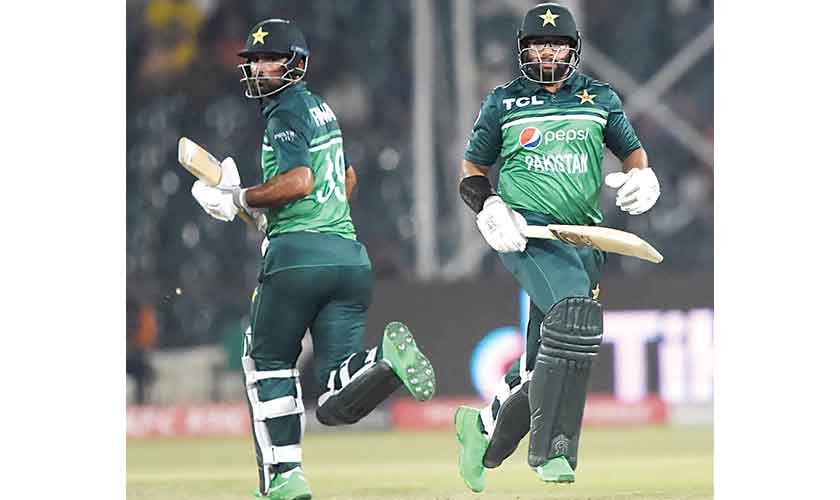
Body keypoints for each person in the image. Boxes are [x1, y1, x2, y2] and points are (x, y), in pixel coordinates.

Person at [190, 18, 437, 500]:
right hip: (348, 258)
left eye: (270, 59)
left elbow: (300, 181)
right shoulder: (323, 109)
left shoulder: (284, 112)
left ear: (297, 65)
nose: (259, 68)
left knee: (266, 362)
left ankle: (284, 477)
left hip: (297, 259)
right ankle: (381, 361)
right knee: (334, 390)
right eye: (254, 60)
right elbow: (345, 181)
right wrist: (269, 211)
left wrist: (239, 198)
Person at [453, 3, 660, 492]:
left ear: (573, 49)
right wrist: (488, 206)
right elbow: (472, 169)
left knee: (542, 361)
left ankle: (481, 432)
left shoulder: (599, 98)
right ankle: (554, 450)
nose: (548, 53)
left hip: (584, 238)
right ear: (523, 50)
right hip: (527, 233)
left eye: (557, 45)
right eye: (538, 45)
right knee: (573, 321)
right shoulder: (503, 102)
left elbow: (632, 152)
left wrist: (642, 177)